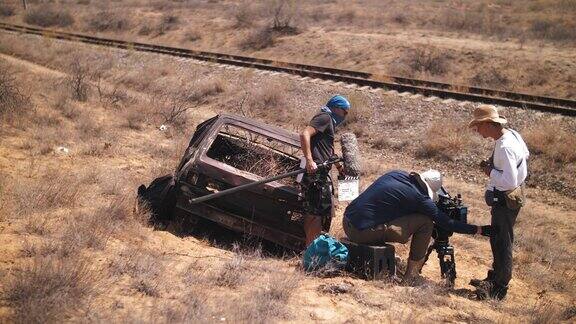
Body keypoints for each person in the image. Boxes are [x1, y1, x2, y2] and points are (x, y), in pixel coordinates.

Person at [342, 169, 490, 284]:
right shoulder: (420, 199)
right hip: (360, 232)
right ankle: (410, 276)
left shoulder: (396, 175)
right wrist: (478, 229)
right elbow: (447, 223)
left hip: (347, 222)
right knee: (425, 222)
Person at [468, 105, 529, 300]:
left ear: (488, 124)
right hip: (511, 195)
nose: (477, 131)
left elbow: (509, 181)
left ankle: (499, 287)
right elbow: (525, 155)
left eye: (478, 127)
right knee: (498, 238)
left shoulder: (504, 147)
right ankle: (495, 277)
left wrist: (490, 171)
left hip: (506, 198)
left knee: (502, 241)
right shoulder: (512, 135)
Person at [300, 95, 350, 246]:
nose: (345, 116)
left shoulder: (330, 123)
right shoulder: (325, 117)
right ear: (335, 107)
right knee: (314, 214)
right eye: (344, 112)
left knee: (319, 212)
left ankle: (312, 249)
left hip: (321, 173)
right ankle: (311, 253)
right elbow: (305, 134)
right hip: (315, 173)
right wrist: (309, 160)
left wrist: (339, 167)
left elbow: (328, 151)